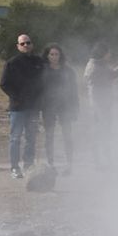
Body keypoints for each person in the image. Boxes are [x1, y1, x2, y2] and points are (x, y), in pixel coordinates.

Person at [0, 33, 45, 180]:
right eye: (22, 43)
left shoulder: (39, 62)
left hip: (33, 108)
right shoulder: (12, 63)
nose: (26, 45)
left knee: (31, 138)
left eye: (28, 43)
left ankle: (28, 165)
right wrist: (17, 98)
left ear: (32, 44)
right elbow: (3, 84)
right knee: (15, 138)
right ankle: (14, 167)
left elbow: (44, 82)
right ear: (18, 46)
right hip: (18, 108)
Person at [39, 44, 79, 174]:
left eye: (57, 54)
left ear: (60, 56)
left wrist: (75, 108)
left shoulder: (68, 71)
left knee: (67, 135)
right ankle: (51, 164)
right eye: (52, 54)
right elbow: (38, 89)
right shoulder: (42, 70)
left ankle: (69, 164)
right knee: (49, 136)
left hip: (65, 106)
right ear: (47, 56)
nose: (54, 57)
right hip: (48, 106)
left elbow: (74, 90)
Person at [82, 41, 116, 170]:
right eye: (108, 52)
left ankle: (106, 160)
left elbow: (111, 75)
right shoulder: (93, 66)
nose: (110, 54)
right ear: (102, 53)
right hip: (97, 106)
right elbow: (90, 79)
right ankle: (98, 161)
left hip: (105, 104)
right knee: (99, 133)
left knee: (105, 133)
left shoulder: (102, 64)